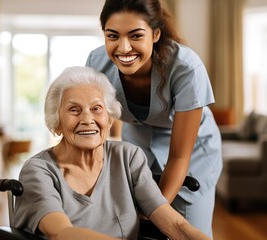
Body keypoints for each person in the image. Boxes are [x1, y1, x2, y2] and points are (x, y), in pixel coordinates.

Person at [13, 66, 210, 240]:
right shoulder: (38, 171)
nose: (87, 119)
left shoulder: (128, 157)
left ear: (109, 119)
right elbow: (62, 234)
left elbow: (174, 224)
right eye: (74, 110)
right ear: (56, 124)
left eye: (97, 108)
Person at [85, 0, 223, 237]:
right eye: (113, 36)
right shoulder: (96, 64)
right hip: (137, 144)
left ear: (156, 34)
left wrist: (155, 211)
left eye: (136, 35)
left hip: (192, 154)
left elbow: (180, 156)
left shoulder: (186, 68)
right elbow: (94, 136)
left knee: (186, 229)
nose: (124, 47)